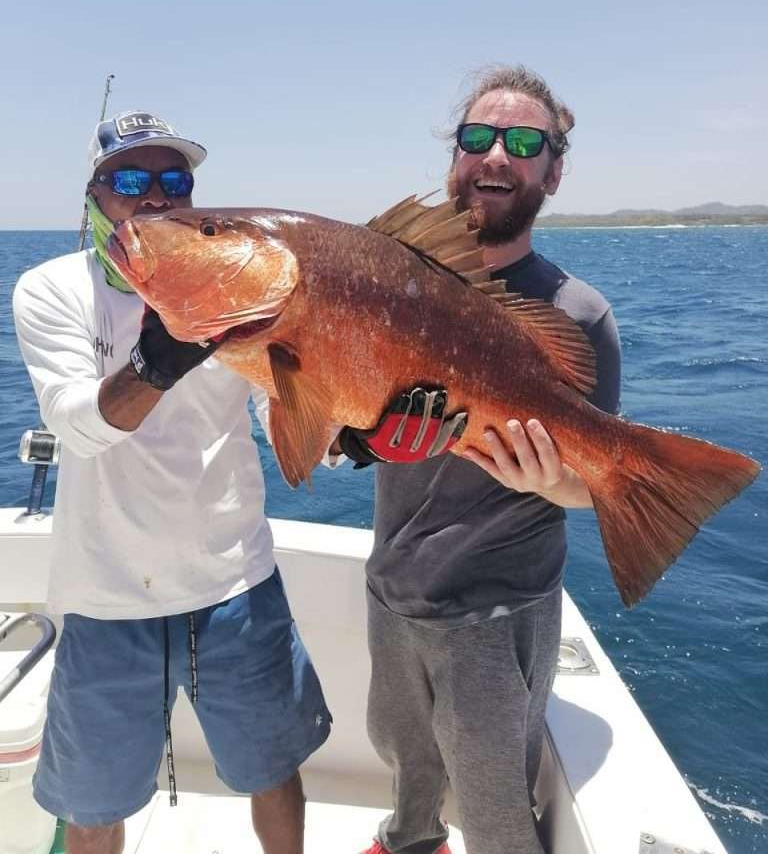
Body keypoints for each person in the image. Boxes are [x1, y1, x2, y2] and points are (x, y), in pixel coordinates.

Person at [12, 111, 335, 854]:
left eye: (173, 181)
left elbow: (284, 402)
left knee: (273, 772)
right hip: (104, 596)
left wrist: (359, 440)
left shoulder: (238, 286)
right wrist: (154, 363)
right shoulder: (50, 289)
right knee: (94, 806)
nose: (153, 197)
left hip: (235, 580)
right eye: (130, 180)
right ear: (94, 196)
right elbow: (75, 427)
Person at [339, 66, 622, 854]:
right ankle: (409, 842)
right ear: (453, 156)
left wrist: (553, 479)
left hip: (497, 614)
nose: (497, 155)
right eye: (478, 136)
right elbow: (332, 404)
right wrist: (355, 441)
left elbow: (598, 483)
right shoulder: (386, 275)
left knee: (495, 804)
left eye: (525, 141)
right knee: (404, 755)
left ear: (553, 171)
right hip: (393, 585)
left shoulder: (579, 314)